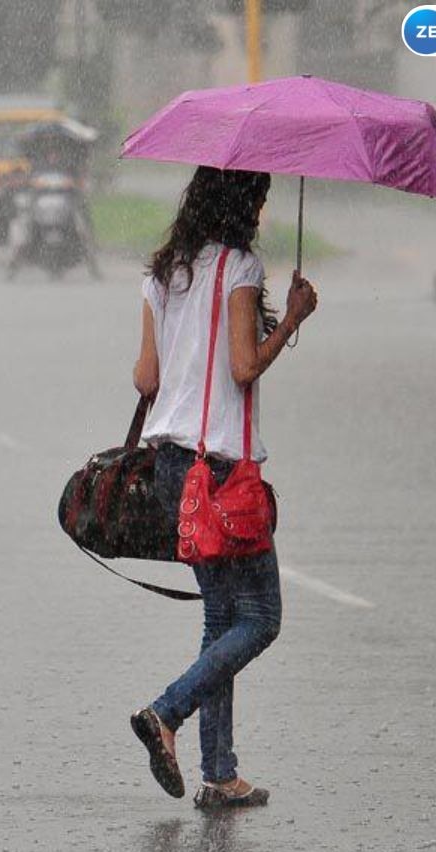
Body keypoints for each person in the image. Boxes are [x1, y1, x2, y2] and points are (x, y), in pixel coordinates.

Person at [128, 166, 318, 810]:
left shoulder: (162, 272)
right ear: (242, 203)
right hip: (220, 473)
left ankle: (219, 770)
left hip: (170, 468)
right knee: (261, 618)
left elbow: (145, 377)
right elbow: (242, 366)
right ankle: (167, 712)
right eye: (259, 199)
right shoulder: (239, 268)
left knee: (220, 618)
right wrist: (289, 319)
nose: (263, 211)